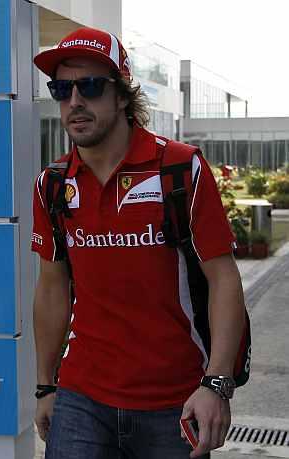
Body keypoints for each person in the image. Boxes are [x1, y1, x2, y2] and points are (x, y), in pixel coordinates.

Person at [31, 27, 246, 459]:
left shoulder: (180, 169)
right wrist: (45, 385)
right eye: (62, 89)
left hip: (174, 399)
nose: (74, 102)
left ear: (123, 95)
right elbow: (52, 288)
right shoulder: (53, 183)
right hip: (81, 396)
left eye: (90, 86)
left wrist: (216, 384)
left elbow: (223, 279)